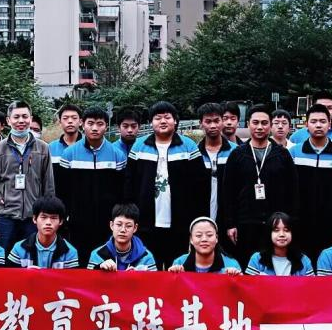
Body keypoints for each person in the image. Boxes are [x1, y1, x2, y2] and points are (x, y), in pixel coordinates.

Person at [124, 101, 207, 267]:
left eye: (167, 117)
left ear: (175, 120)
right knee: (147, 268)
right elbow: (129, 183)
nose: (163, 121)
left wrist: (196, 218)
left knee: (176, 270)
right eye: (158, 118)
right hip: (146, 223)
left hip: (179, 224)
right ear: (151, 122)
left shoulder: (188, 146)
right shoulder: (139, 146)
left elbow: (200, 185)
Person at [220, 104, 298, 263]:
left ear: (270, 125)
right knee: (247, 266)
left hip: (276, 224)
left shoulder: (282, 154)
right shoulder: (237, 154)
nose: (260, 127)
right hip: (245, 223)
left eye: (264, 123)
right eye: (255, 123)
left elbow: (293, 190)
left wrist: (290, 222)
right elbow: (228, 192)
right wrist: (230, 224)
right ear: (248, 124)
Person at [0, 100, 55, 251]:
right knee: (4, 259)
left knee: (30, 258)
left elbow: (48, 187)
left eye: (25, 116)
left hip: (34, 217)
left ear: (31, 118)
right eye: (16, 117)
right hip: (5, 217)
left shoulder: (43, 148)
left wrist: (47, 218)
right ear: (8, 120)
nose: (21, 121)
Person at [289, 103, 332, 259]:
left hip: (330, 225)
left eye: (323, 121)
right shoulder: (293, 153)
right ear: (306, 125)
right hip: (300, 224)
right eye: (313, 121)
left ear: (329, 124)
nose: (318, 125)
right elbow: (287, 190)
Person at [58, 107, 127, 255]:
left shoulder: (117, 155)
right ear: (82, 124)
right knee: (80, 260)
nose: (95, 128)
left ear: (106, 126)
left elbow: (122, 191)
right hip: (77, 222)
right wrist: (67, 216)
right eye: (90, 123)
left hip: (107, 222)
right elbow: (63, 190)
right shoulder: (69, 154)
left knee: (105, 261)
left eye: (100, 124)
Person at [7, 196, 79, 268]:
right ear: (34, 219)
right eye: (44, 217)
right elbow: (11, 275)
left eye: (53, 218)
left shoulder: (70, 252)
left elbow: (71, 275)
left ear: (61, 221)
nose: (48, 222)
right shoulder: (19, 248)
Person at [196, 102, 236, 221]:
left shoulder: (235, 151)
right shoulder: (194, 153)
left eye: (216, 121)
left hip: (228, 218)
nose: (213, 126)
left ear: (222, 121)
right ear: (200, 123)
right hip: (201, 218)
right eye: (208, 121)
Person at [87, 203, 158, 271]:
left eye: (128, 226)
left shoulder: (146, 257)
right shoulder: (97, 254)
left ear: (135, 228)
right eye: (119, 224)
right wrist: (99, 268)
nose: (123, 230)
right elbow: (89, 278)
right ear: (111, 225)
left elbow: (154, 279)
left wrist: (139, 276)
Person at [245, 212, 314, 276]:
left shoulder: (304, 261)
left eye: (286, 230)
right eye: (276, 230)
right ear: (269, 233)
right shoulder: (257, 259)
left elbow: (312, 285)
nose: (282, 234)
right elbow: (248, 284)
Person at [168, 217, 242, 274]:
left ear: (216, 238)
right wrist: (173, 275)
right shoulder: (179, 263)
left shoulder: (232, 264)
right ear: (191, 239)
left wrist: (237, 277)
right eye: (198, 235)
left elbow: (241, 288)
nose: (204, 239)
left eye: (209, 235)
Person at [48, 102, 84, 191]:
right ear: (60, 122)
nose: (70, 121)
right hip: (58, 198)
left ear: (80, 122)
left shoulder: (89, 146)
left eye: (74, 118)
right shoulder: (50, 148)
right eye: (65, 118)